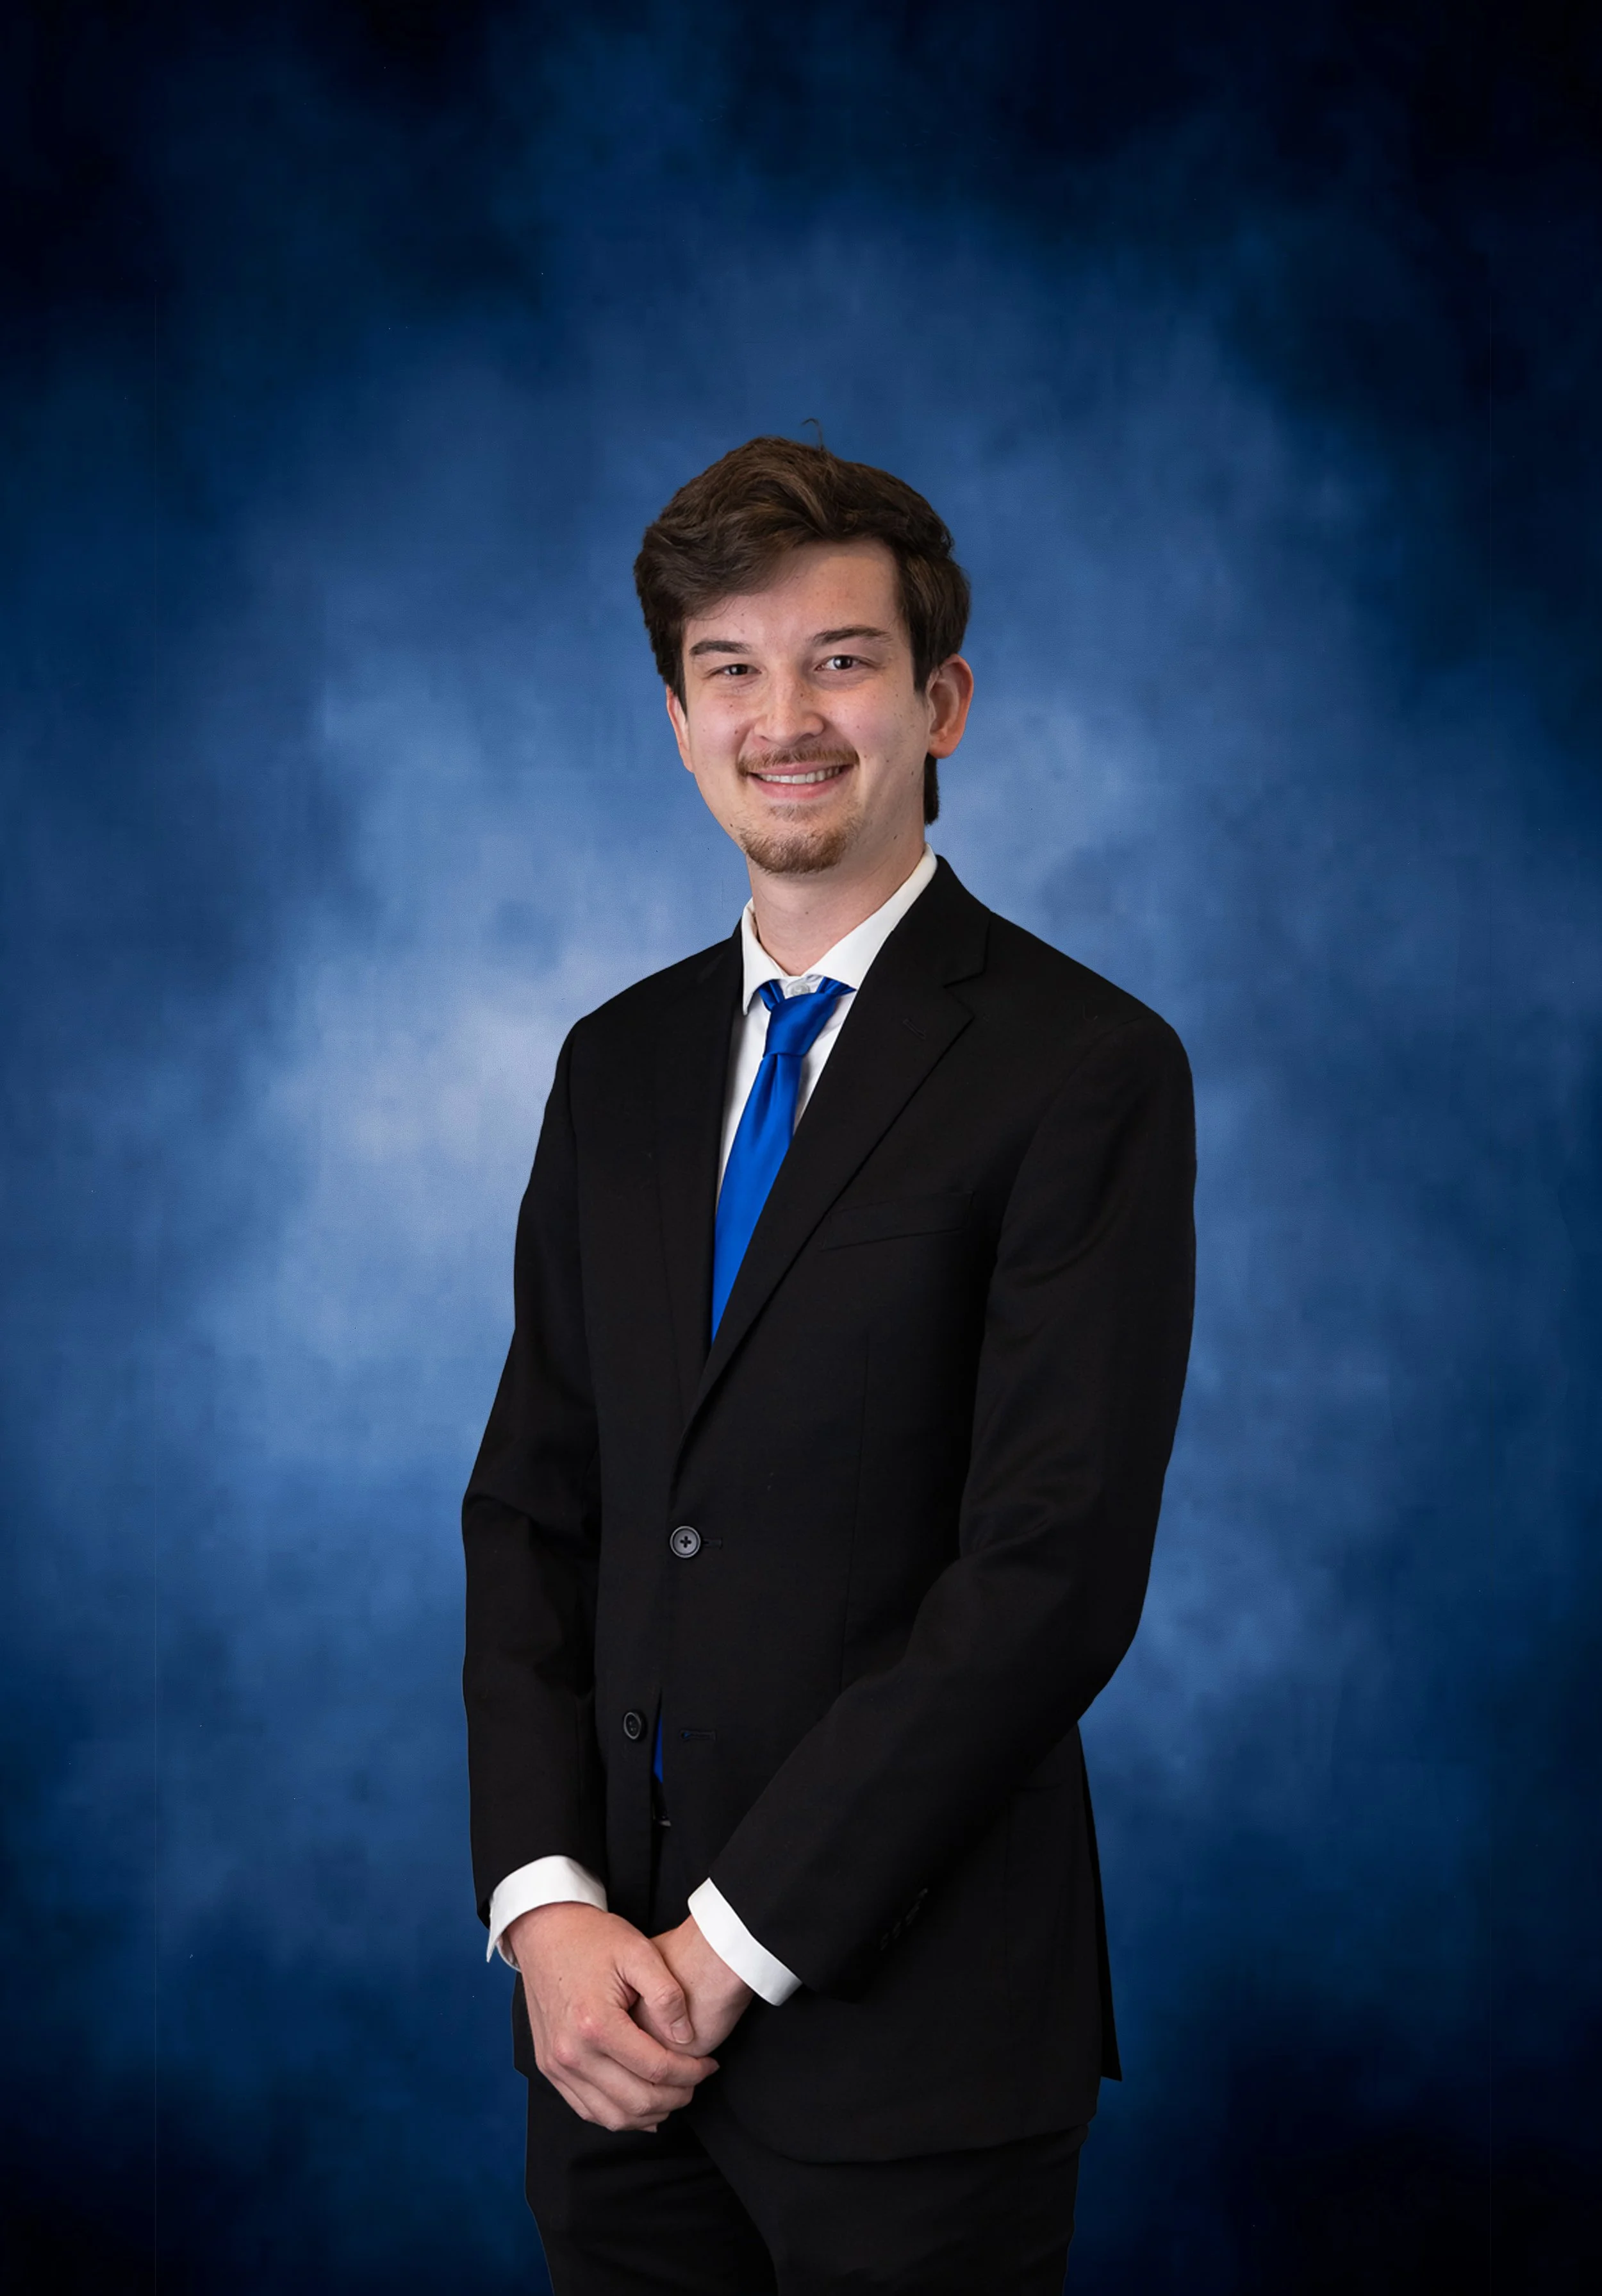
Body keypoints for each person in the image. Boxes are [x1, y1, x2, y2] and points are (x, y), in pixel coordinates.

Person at [462, 435, 1195, 2295]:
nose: (783, 718)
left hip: (915, 2047)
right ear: (677, 719)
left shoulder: (1085, 1066)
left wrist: (728, 1947)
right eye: (731, 669)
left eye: (840, 662)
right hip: (606, 2045)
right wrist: (547, 1909)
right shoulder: (613, 1067)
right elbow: (535, 1514)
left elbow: (1049, 1575)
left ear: (940, 703)